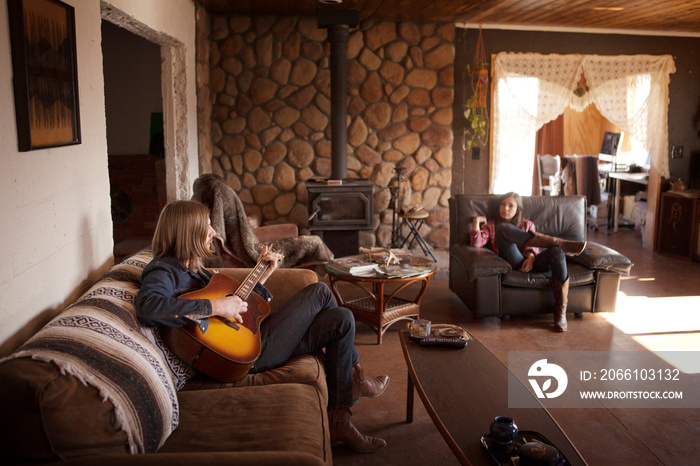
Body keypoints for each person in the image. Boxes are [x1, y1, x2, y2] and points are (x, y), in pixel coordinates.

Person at [135, 200, 389, 452]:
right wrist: (217, 307)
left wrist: (263, 273)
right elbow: (148, 307)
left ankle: (339, 419)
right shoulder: (162, 270)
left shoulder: (193, 268)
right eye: (207, 226)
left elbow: (236, 305)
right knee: (320, 291)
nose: (213, 232)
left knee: (342, 320)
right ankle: (357, 376)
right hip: (239, 357)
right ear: (187, 230)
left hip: (251, 340)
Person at [469, 192, 586, 332]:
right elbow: (476, 243)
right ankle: (556, 242)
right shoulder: (493, 225)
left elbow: (533, 247)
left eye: (510, 206)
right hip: (513, 261)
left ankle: (560, 313)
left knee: (557, 252)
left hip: (533, 262)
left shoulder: (527, 224)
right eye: (503, 204)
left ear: (517, 209)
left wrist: (530, 257)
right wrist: (476, 222)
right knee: (503, 228)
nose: (505, 208)